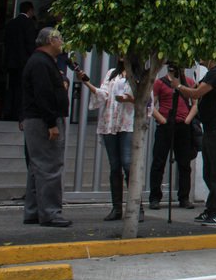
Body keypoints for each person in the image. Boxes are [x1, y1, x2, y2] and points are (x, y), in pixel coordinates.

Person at [21, 27, 73, 227]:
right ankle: (51, 213)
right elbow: (43, 94)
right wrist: (51, 123)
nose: (62, 42)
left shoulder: (40, 61)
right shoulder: (41, 63)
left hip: (37, 118)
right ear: (51, 40)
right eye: (59, 38)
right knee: (50, 166)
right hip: (43, 120)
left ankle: (34, 211)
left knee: (38, 167)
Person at [82, 58, 145, 222]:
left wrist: (129, 99)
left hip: (128, 122)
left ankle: (137, 206)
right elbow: (103, 94)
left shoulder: (140, 75)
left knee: (127, 163)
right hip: (110, 122)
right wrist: (87, 83)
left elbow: (146, 100)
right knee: (114, 166)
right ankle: (116, 208)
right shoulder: (112, 73)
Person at [171, 58, 216, 226]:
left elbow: (195, 94)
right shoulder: (211, 74)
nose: (200, 57)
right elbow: (194, 92)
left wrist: (177, 85)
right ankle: (212, 209)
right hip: (211, 128)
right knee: (209, 172)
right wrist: (182, 77)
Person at [149, 63, 196, 210]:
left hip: (183, 125)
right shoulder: (160, 83)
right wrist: (161, 119)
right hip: (165, 125)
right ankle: (155, 197)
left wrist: (188, 119)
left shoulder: (189, 82)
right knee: (158, 162)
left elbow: (195, 103)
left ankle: (184, 197)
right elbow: (150, 104)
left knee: (184, 164)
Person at [3, 1, 36, 121]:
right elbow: (30, 44)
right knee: (22, 89)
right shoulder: (29, 24)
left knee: (11, 87)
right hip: (24, 62)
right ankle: (19, 113)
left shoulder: (11, 23)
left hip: (11, 62)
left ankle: (8, 112)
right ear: (30, 10)